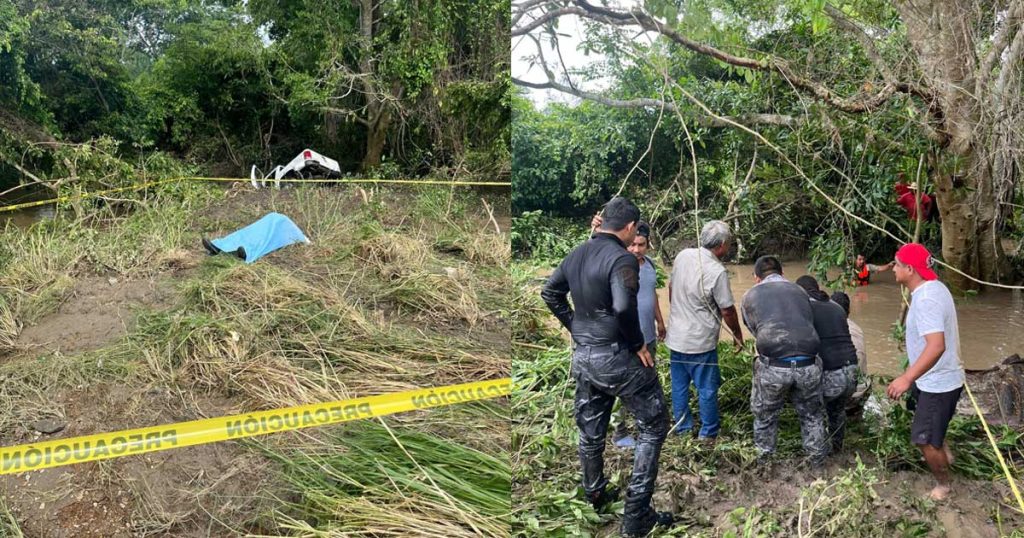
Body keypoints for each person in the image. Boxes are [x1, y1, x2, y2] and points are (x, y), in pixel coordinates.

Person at [542, 197, 673, 536]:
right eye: (636, 232)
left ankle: (595, 493)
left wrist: (575, 327)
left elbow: (550, 292)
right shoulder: (622, 259)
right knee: (655, 423)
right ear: (630, 228)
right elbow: (622, 306)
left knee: (590, 429)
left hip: (584, 357)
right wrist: (638, 344)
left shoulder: (577, 253)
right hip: (616, 356)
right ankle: (636, 516)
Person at [886, 243, 964, 501]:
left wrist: (907, 377)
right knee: (931, 429)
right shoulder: (935, 288)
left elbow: (936, 345)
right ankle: (944, 451)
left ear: (910, 269)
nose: (893, 268)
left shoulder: (927, 298)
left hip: (938, 383)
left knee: (924, 439)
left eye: (897, 264)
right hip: (936, 378)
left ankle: (944, 484)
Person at [740, 256, 827, 466]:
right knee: (812, 416)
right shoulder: (800, 291)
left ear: (756, 278)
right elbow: (808, 320)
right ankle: (816, 464)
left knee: (765, 416)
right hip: (809, 364)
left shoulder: (750, 295)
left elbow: (754, 329)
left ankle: (765, 463)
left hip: (774, 367)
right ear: (783, 274)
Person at [664, 220, 743, 442]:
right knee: (706, 388)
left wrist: (679, 311)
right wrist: (737, 335)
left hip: (677, 337)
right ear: (722, 245)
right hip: (700, 342)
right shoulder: (717, 271)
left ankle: (682, 428)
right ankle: (708, 433)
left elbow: (671, 288)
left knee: (679, 386)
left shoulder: (683, 256)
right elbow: (727, 310)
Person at [796, 276, 859, 452]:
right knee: (837, 411)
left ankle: (816, 457)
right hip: (852, 370)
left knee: (812, 413)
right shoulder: (836, 307)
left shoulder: (806, 308)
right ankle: (837, 450)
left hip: (831, 373)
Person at [830, 291, 871, 410]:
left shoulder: (829, 328)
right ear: (849, 311)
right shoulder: (857, 328)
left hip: (848, 394)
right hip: (862, 390)